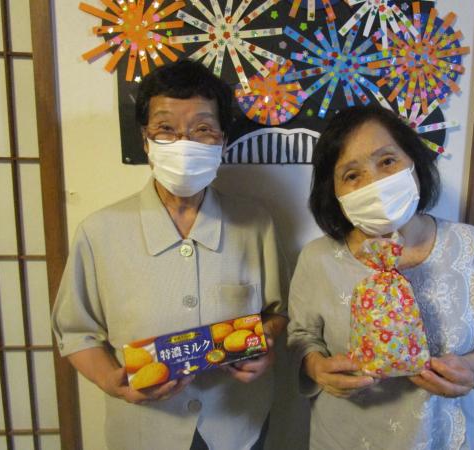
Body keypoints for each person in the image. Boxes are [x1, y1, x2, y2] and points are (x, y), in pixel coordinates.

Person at [52, 59, 288, 450]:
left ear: (222, 141)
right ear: (145, 141)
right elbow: (76, 332)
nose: (184, 143)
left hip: (237, 424)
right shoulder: (99, 232)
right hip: (145, 430)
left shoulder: (254, 222)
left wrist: (264, 347)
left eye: (203, 129)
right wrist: (111, 382)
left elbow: (278, 312)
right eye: (166, 129)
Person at [287, 105, 474, 449]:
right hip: (345, 436)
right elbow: (301, 336)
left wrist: (470, 366)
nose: (375, 183)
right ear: (333, 192)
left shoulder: (471, 246)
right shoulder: (317, 258)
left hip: (440, 437)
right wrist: (316, 366)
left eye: (387, 161)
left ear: (415, 163)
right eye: (352, 175)